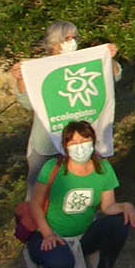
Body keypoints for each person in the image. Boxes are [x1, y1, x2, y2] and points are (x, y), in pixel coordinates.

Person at [22, 120, 135, 268]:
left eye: (84, 141)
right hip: (52, 235)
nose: (80, 146)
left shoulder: (103, 168)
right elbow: (35, 204)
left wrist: (125, 206)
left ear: (92, 141)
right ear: (65, 146)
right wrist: (47, 234)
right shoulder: (53, 167)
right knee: (60, 264)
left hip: (83, 235)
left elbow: (108, 207)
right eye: (73, 142)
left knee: (120, 221)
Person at [12, 22, 123, 183]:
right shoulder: (39, 67)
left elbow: (114, 77)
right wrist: (21, 79)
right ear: (54, 41)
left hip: (80, 141)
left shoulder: (84, 60)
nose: (72, 41)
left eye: (74, 37)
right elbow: (28, 102)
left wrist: (108, 58)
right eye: (67, 38)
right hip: (47, 141)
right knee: (39, 190)